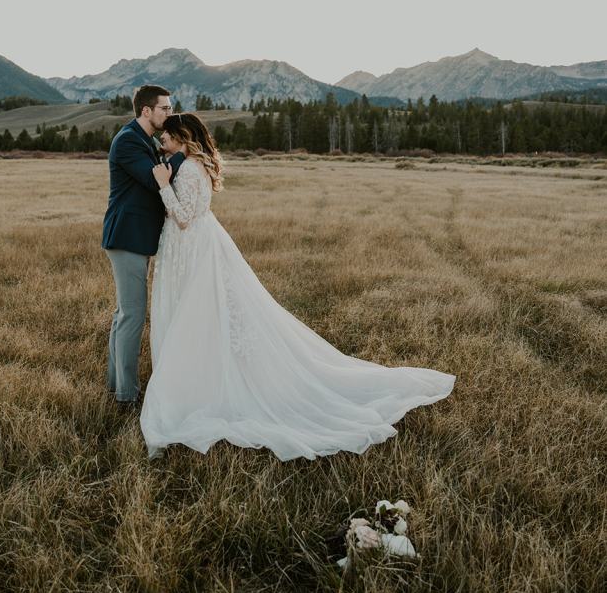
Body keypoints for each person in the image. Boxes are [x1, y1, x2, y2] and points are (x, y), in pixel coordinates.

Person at [139, 112, 455, 461]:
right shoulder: (194, 165)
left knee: (194, 315)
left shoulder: (183, 171)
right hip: (201, 246)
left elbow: (183, 218)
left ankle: (195, 387)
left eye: (167, 136)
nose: (162, 141)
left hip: (192, 249)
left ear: (183, 137)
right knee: (206, 317)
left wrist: (163, 185)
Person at [102, 85, 185, 408]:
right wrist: (184, 154)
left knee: (125, 314)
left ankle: (116, 386)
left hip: (136, 237)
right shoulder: (127, 141)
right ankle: (126, 395)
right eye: (164, 108)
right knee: (133, 315)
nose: (170, 112)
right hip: (127, 237)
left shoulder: (143, 140)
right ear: (146, 111)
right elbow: (154, 179)